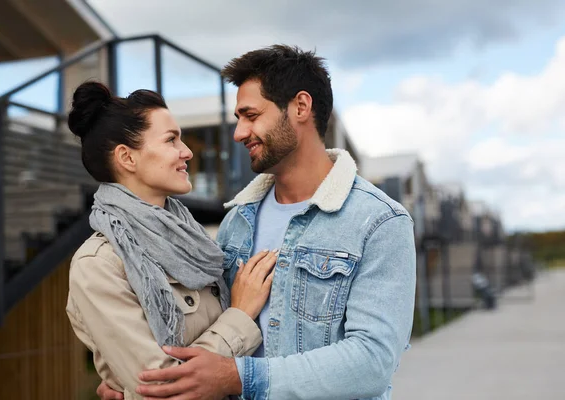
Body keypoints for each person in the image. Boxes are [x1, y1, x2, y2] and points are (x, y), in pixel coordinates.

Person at [99, 45, 416, 400]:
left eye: (250, 115)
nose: (239, 132)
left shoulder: (379, 222)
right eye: (239, 118)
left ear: (300, 107)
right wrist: (131, 381)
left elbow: (371, 362)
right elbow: (202, 329)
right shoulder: (236, 222)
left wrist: (239, 377)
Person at [65, 81, 278, 399]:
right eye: (171, 140)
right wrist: (241, 316)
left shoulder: (195, 242)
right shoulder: (98, 264)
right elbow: (164, 387)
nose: (187, 152)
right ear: (127, 158)